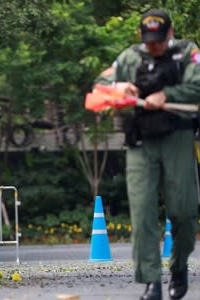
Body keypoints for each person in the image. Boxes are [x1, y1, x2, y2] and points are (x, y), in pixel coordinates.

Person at [95, 9, 200, 300]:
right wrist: (119, 87)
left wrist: (168, 95)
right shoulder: (130, 57)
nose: (154, 46)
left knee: (185, 211)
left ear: (170, 32)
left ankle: (178, 267)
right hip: (141, 142)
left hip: (178, 138)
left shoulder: (187, 52)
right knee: (142, 213)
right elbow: (100, 85)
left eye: (159, 39)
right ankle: (151, 281)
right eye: (149, 40)